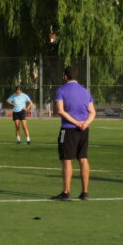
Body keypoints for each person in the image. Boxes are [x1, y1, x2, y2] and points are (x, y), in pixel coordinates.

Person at [52, 66, 95, 201]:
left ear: (65, 76)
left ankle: (66, 192)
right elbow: (92, 112)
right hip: (84, 130)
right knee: (83, 159)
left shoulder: (61, 90)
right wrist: (85, 123)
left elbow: (60, 110)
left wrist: (76, 123)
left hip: (68, 129)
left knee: (67, 160)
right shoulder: (85, 91)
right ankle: (85, 192)